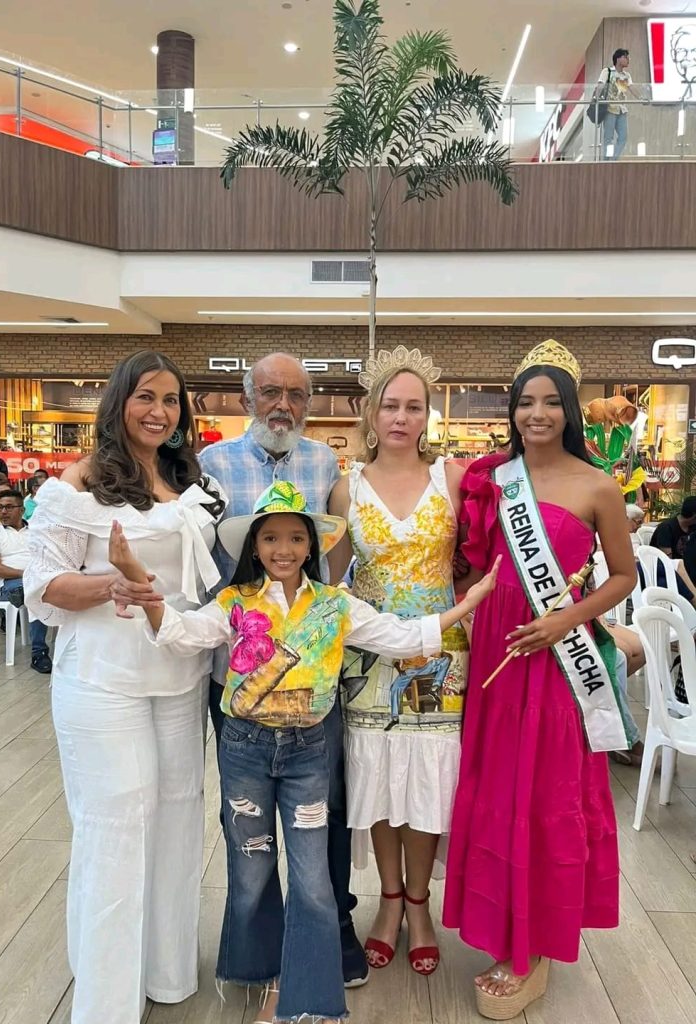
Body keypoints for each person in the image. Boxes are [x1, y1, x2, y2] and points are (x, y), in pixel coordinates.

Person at [107, 481, 501, 1024]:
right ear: (255, 545)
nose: (284, 549)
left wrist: (470, 602)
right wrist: (136, 577)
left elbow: (402, 636)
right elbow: (181, 634)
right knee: (251, 865)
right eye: (271, 537)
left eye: (296, 537)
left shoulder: (337, 605)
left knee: (314, 878)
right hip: (244, 748)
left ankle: (305, 994)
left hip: (309, 751)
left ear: (312, 546)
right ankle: (266, 974)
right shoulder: (234, 602)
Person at [23, 350, 225, 1024]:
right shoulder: (76, 485)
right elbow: (43, 586)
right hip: (102, 680)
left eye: (170, 400)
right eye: (145, 397)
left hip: (178, 676)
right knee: (115, 826)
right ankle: (107, 1000)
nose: (158, 412)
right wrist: (114, 584)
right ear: (118, 402)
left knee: (175, 822)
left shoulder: (190, 481)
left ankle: (165, 972)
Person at [442, 340, 637, 1019]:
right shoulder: (494, 479)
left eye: (552, 402)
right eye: (525, 402)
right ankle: (502, 933)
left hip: (557, 660)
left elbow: (622, 576)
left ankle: (536, 948)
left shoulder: (598, 485)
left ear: (571, 411)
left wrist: (565, 622)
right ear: (512, 410)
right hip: (497, 653)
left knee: (545, 788)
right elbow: (473, 565)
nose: (537, 413)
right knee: (497, 786)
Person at [198, 353, 369, 986]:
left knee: (323, 808)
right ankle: (261, 951)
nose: (283, 406)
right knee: (247, 820)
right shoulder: (212, 465)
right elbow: (203, 563)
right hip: (239, 674)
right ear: (248, 398)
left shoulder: (324, 464)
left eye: (296, 394)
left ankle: (330, 933)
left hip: (313, 679)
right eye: (271, 392)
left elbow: (335, 558)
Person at [327, 345, 467, 978]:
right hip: (370, 655)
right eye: (391, 405)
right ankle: (388, 902)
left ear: (427, 415)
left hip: (440, 655)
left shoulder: (454, 479)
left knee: (427, 781)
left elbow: (477, 560)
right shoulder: (347, 486)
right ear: (371, 412)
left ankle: (419, 905)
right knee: (380, 779)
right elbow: (330, 581)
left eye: (414, 407)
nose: (402, 418)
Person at [0, 488, 52, 673]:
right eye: (0, 507)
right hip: (8, 585)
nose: (3, 512)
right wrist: (26, 574)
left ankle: (75, 648)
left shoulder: (36, 531)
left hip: (38, 579)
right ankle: (39, 653)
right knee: (35, 591)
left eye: (9, 507)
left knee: (64, 587)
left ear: (22, 510)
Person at [598, 48, 644, 161]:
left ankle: (613, 159)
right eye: (625, 57)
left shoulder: (626, 75)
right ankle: (606, 161)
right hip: (609, 108)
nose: (628, 59)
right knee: (608, 137)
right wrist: (596, 97)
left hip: (622, 109)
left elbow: (631, 87)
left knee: (623, 137)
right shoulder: (607, 71)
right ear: (618, 59)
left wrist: (641, 98)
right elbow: (600, 85)